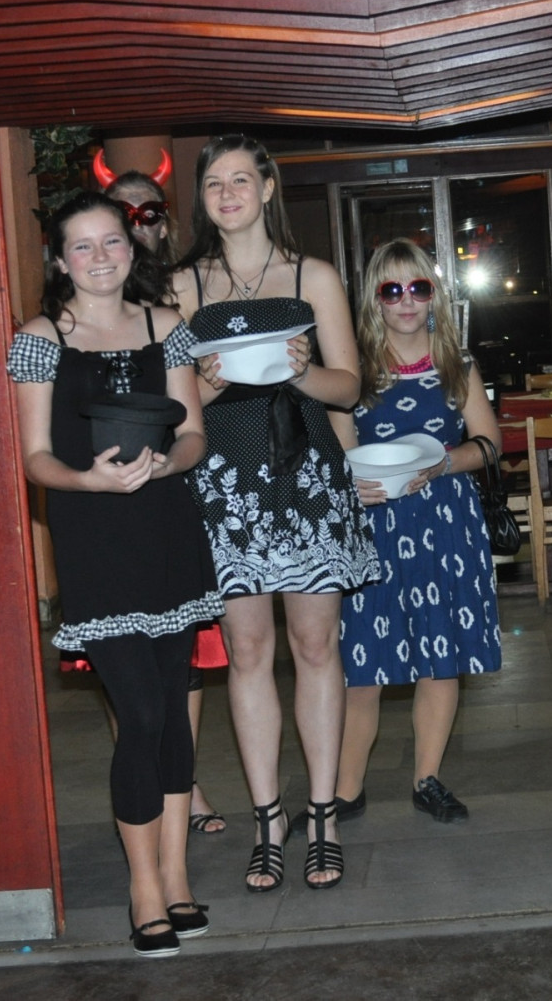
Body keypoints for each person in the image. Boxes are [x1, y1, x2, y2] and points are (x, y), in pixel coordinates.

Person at [6, 192, 221, 956]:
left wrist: (167, 461)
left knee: (175, 713)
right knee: (142, 715)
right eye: (84, 245)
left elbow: (194, 435)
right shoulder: (38, 340)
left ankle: (177, 875)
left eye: (113, 242)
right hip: (95, 544)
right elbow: (34, 458)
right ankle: (144, 887)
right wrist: (87, 480)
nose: (101, 257)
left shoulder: (169, 327)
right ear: (61, 259)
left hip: (170, 537)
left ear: (132, 249)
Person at [174, 134, 379, 892]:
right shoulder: (183, 286)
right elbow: (174, 405)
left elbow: (349, 385)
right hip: (225, 485)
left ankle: (322, 816)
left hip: (308, 475)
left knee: (317, 645)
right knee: (248, 651)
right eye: (214, 183)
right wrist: (206, 384)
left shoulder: (311, 274)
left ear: (266, 189)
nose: (227, 194)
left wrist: (303, 372)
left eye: (240, 180)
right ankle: (268, 821)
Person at [332, 238, 503, 824]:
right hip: (373, 528)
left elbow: (489, 443)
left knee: (440, 658)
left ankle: (427, 779)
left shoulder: (457, 365)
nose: (406, 300)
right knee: (360, 667)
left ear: (434, 295)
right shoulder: (352, 373)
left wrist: (443, 463)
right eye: (391, 289)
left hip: (446, 522)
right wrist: (349, 486)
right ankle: (344, 793)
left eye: (418, 287)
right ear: (374, 300)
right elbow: (336, 456)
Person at [96, 155, 230, 837]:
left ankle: (185, 783)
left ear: (165, 223)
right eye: (122, 215)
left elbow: (192, 410)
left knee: (185, 656)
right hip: (105, 501)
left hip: (184, 485)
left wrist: (219, 378)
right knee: (122, 661)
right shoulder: (73, 311)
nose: (136, 225)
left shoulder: (183, 297)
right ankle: (151, 779)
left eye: (149, 213)